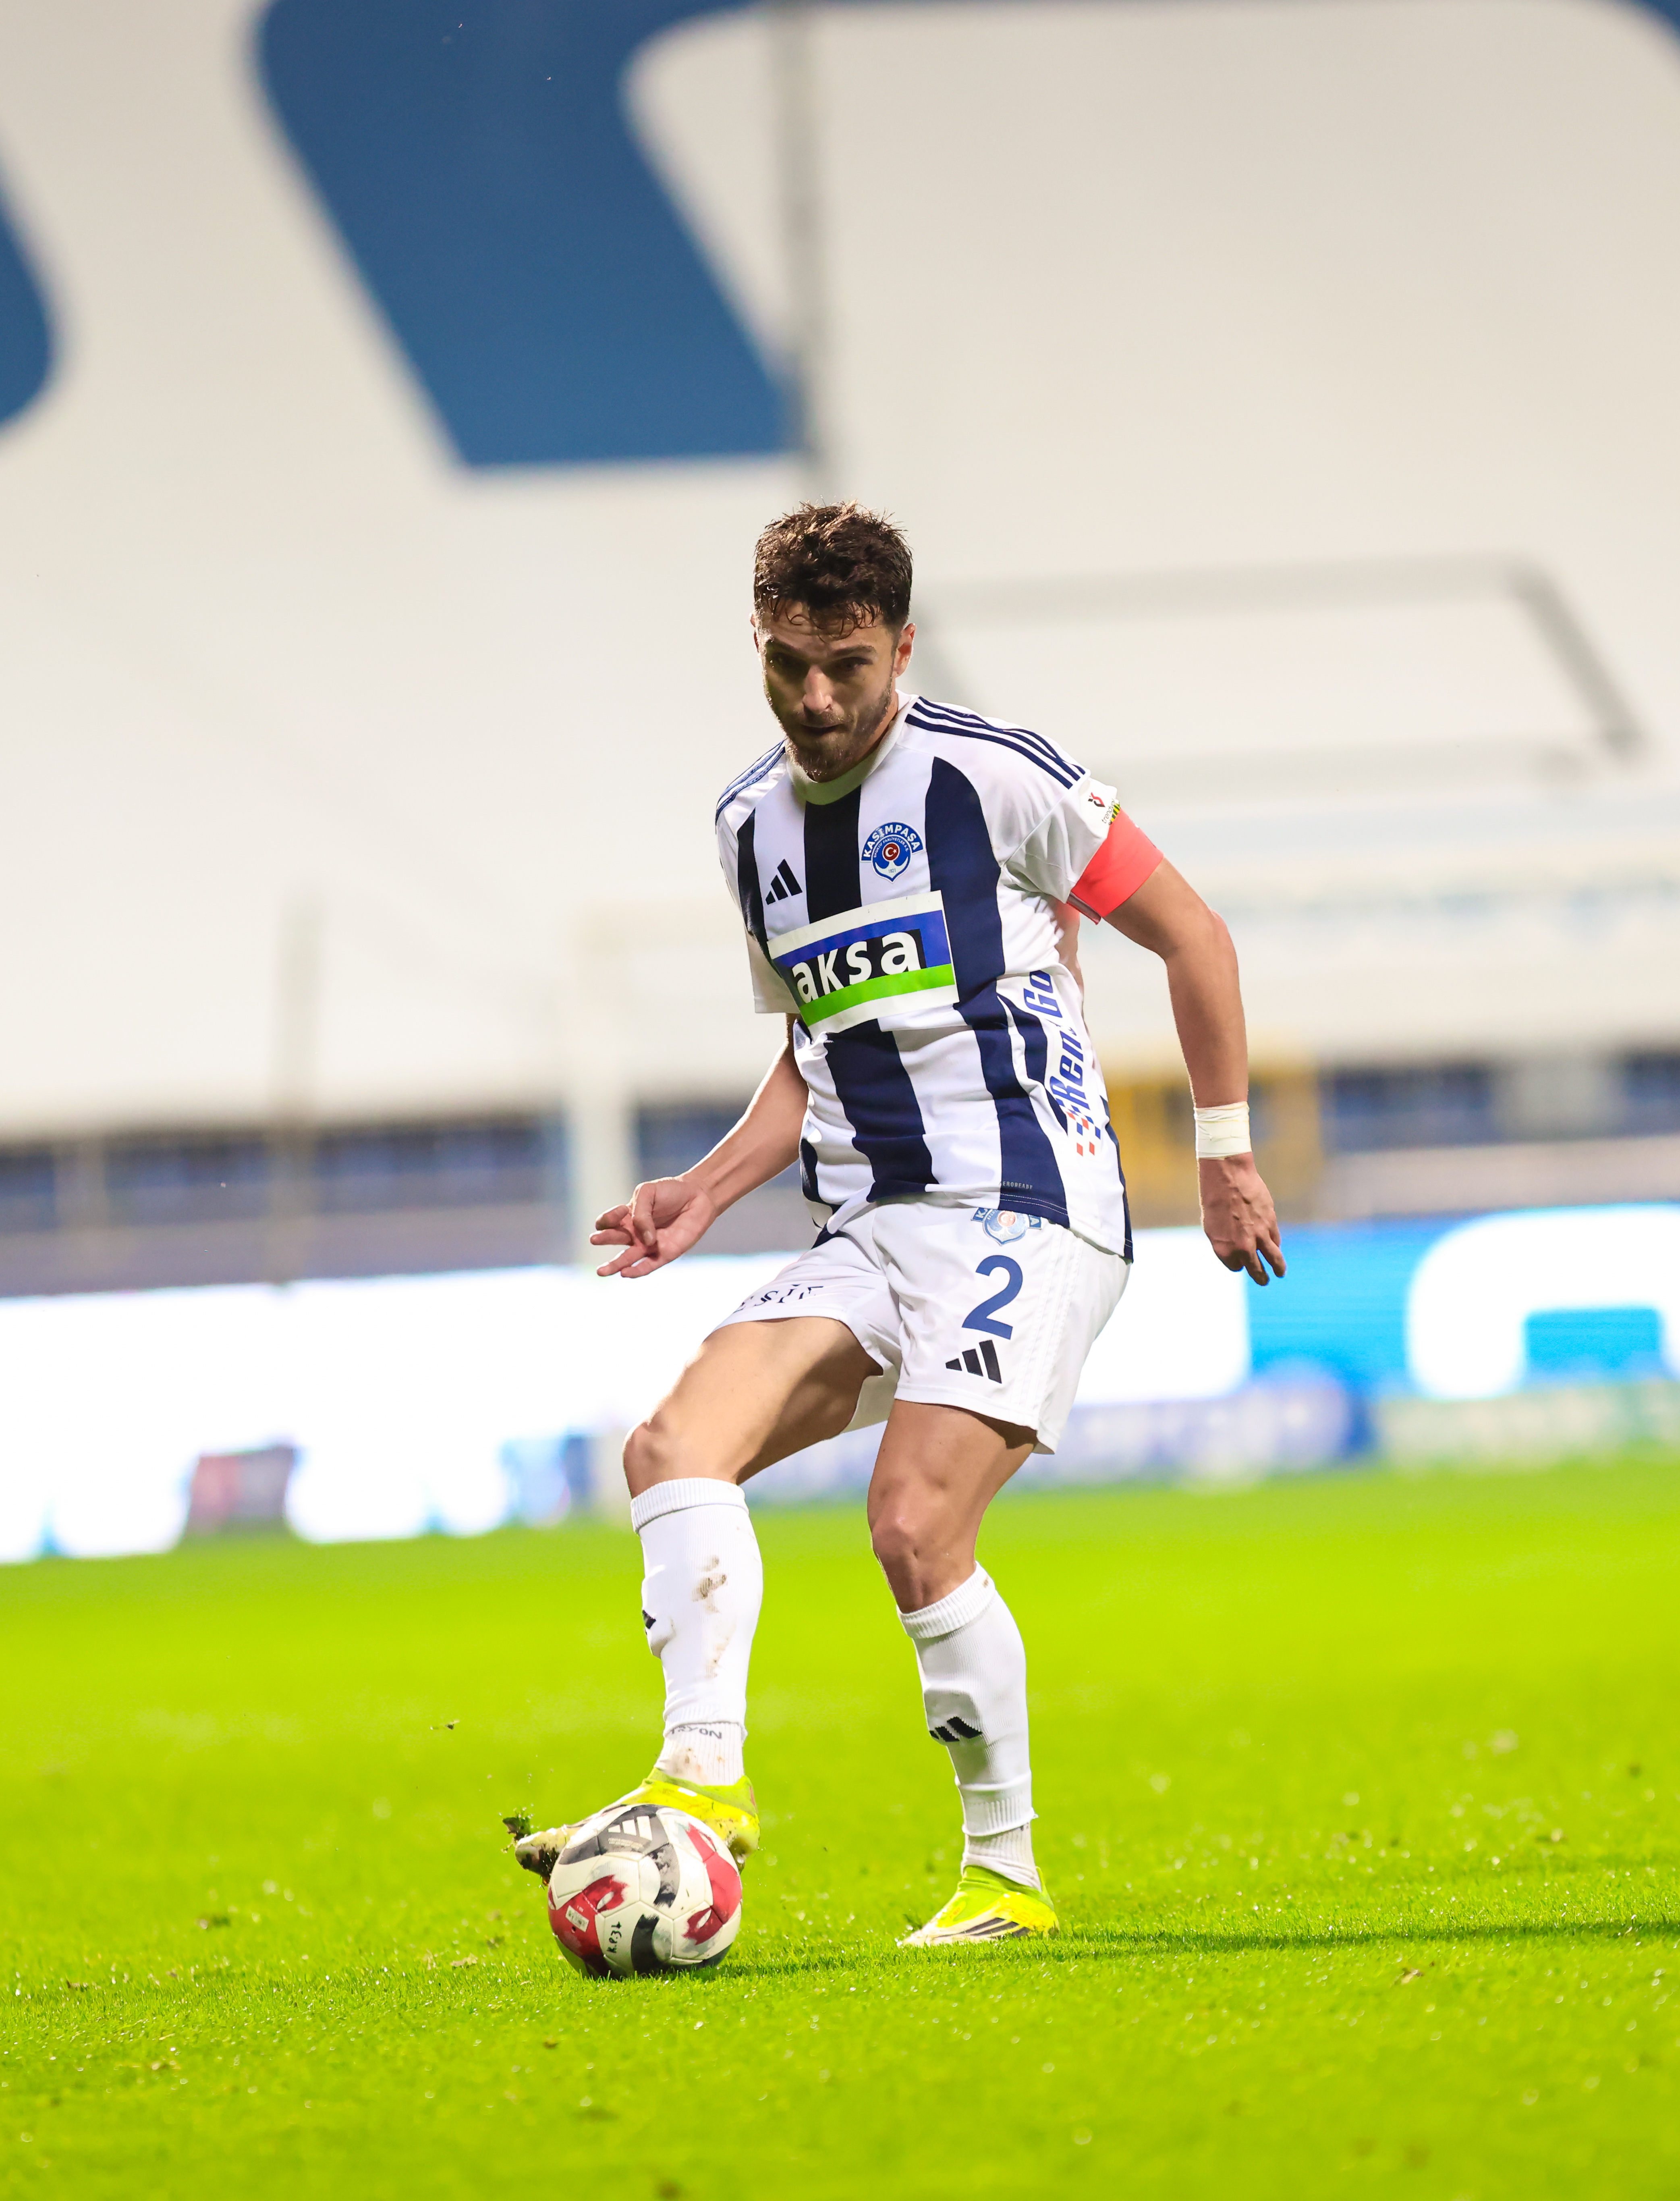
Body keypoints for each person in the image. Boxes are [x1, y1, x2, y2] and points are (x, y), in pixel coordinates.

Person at [514, 502, 1283, 1944]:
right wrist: (702, 1191)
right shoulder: (749, 826)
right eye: (787, 665)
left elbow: (1193, 935)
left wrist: (1225, 1155)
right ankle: (703, 1782)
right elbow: (818, 1045)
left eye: (847, 666)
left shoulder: (997, 779)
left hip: (1030, 1206)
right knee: (670, 1450)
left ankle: (1003, 1876)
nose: (815, 699)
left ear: (902, 648)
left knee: (913, 1525)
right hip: (870, 1224)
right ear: (759, 645)